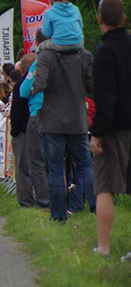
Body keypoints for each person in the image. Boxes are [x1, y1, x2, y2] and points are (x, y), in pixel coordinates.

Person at [32, 30, 96, 223]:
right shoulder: (84, 55)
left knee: (56, 168)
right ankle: (95, 207)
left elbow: (39, 84)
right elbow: (92, 86)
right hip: (77, 119)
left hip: (52, 120)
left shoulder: (46, 55)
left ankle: (58, 215)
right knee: (85, 165)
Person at [89, 0, 131, 258]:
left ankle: (103, 247)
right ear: (124, 18)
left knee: (105, 187)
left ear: (99, 20)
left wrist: (97, 132)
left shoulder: (105, 52)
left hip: (114, 129)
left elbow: (106, 98)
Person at [19, 30, 50, 209]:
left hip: (37, 114)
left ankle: (45, 202)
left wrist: (33, 90)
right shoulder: (62, 59)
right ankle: (63, 201)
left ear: (38, 43)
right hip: (58, 115)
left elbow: (24, 91)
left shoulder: (38, 62)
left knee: (36, 162)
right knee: (55, 161)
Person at [11, 54, 37, 208]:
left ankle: (26, 201)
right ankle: (43, 199)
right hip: (40, 127)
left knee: (23, 168)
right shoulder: (43, 83)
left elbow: (17, 112)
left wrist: (15, 131)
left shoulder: (21, 85)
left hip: (24, 130)